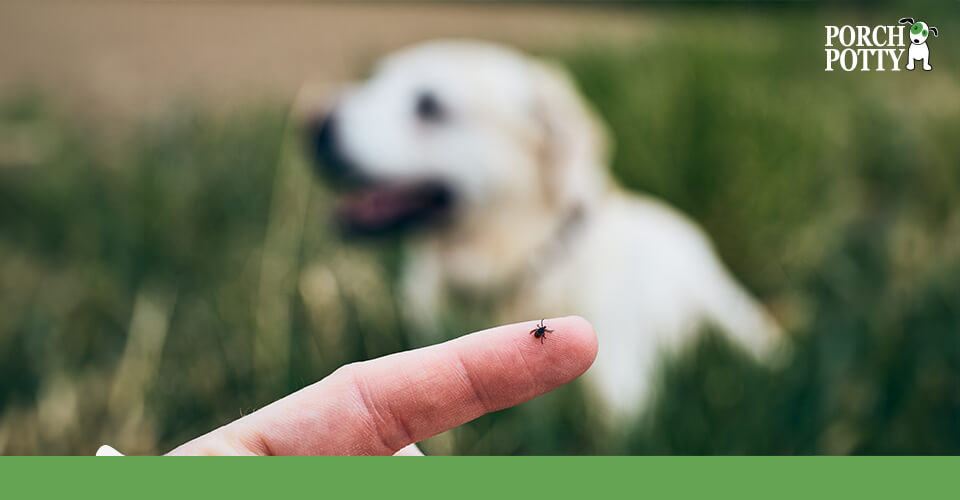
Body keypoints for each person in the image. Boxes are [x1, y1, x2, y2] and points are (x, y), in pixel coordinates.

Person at [97, 316, 597, 456]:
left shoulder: (540, 331)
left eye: (540, 332)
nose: (540, 333)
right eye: (540, 332)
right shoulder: (540, 331)